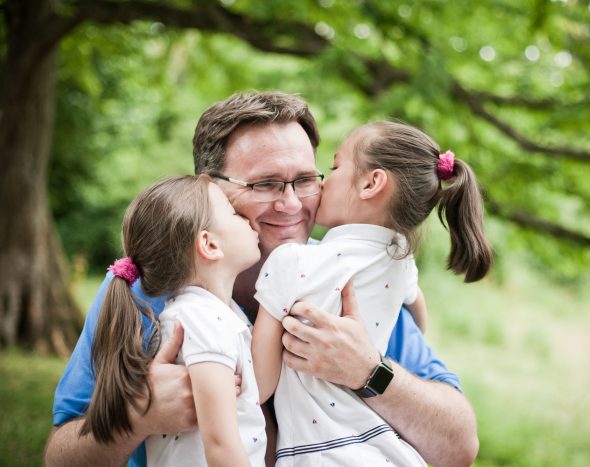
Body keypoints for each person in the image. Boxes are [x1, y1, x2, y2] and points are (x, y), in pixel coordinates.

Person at [45, 91, 479, 467]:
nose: (291, 205)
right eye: (266, 184)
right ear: (209, 187)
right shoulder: (145, 289)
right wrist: (138, 415)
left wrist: (370, 371)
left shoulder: (347, 280)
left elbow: (459, 447)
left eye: (306, 180)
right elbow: (59, 457)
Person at [252, 121, 491, 464]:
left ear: (371, 182)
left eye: (333, 167)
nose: (324, 181)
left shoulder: (292, 263)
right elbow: (416, 312)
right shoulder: (400, 262)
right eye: (265, 183)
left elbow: (260, 386)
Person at [81, 175, 266, 466]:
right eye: (233, 212)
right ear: (210, 244)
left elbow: (256, 391)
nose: (248, 219)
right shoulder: (204, 319)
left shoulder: (207, 314)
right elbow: (221, 446)